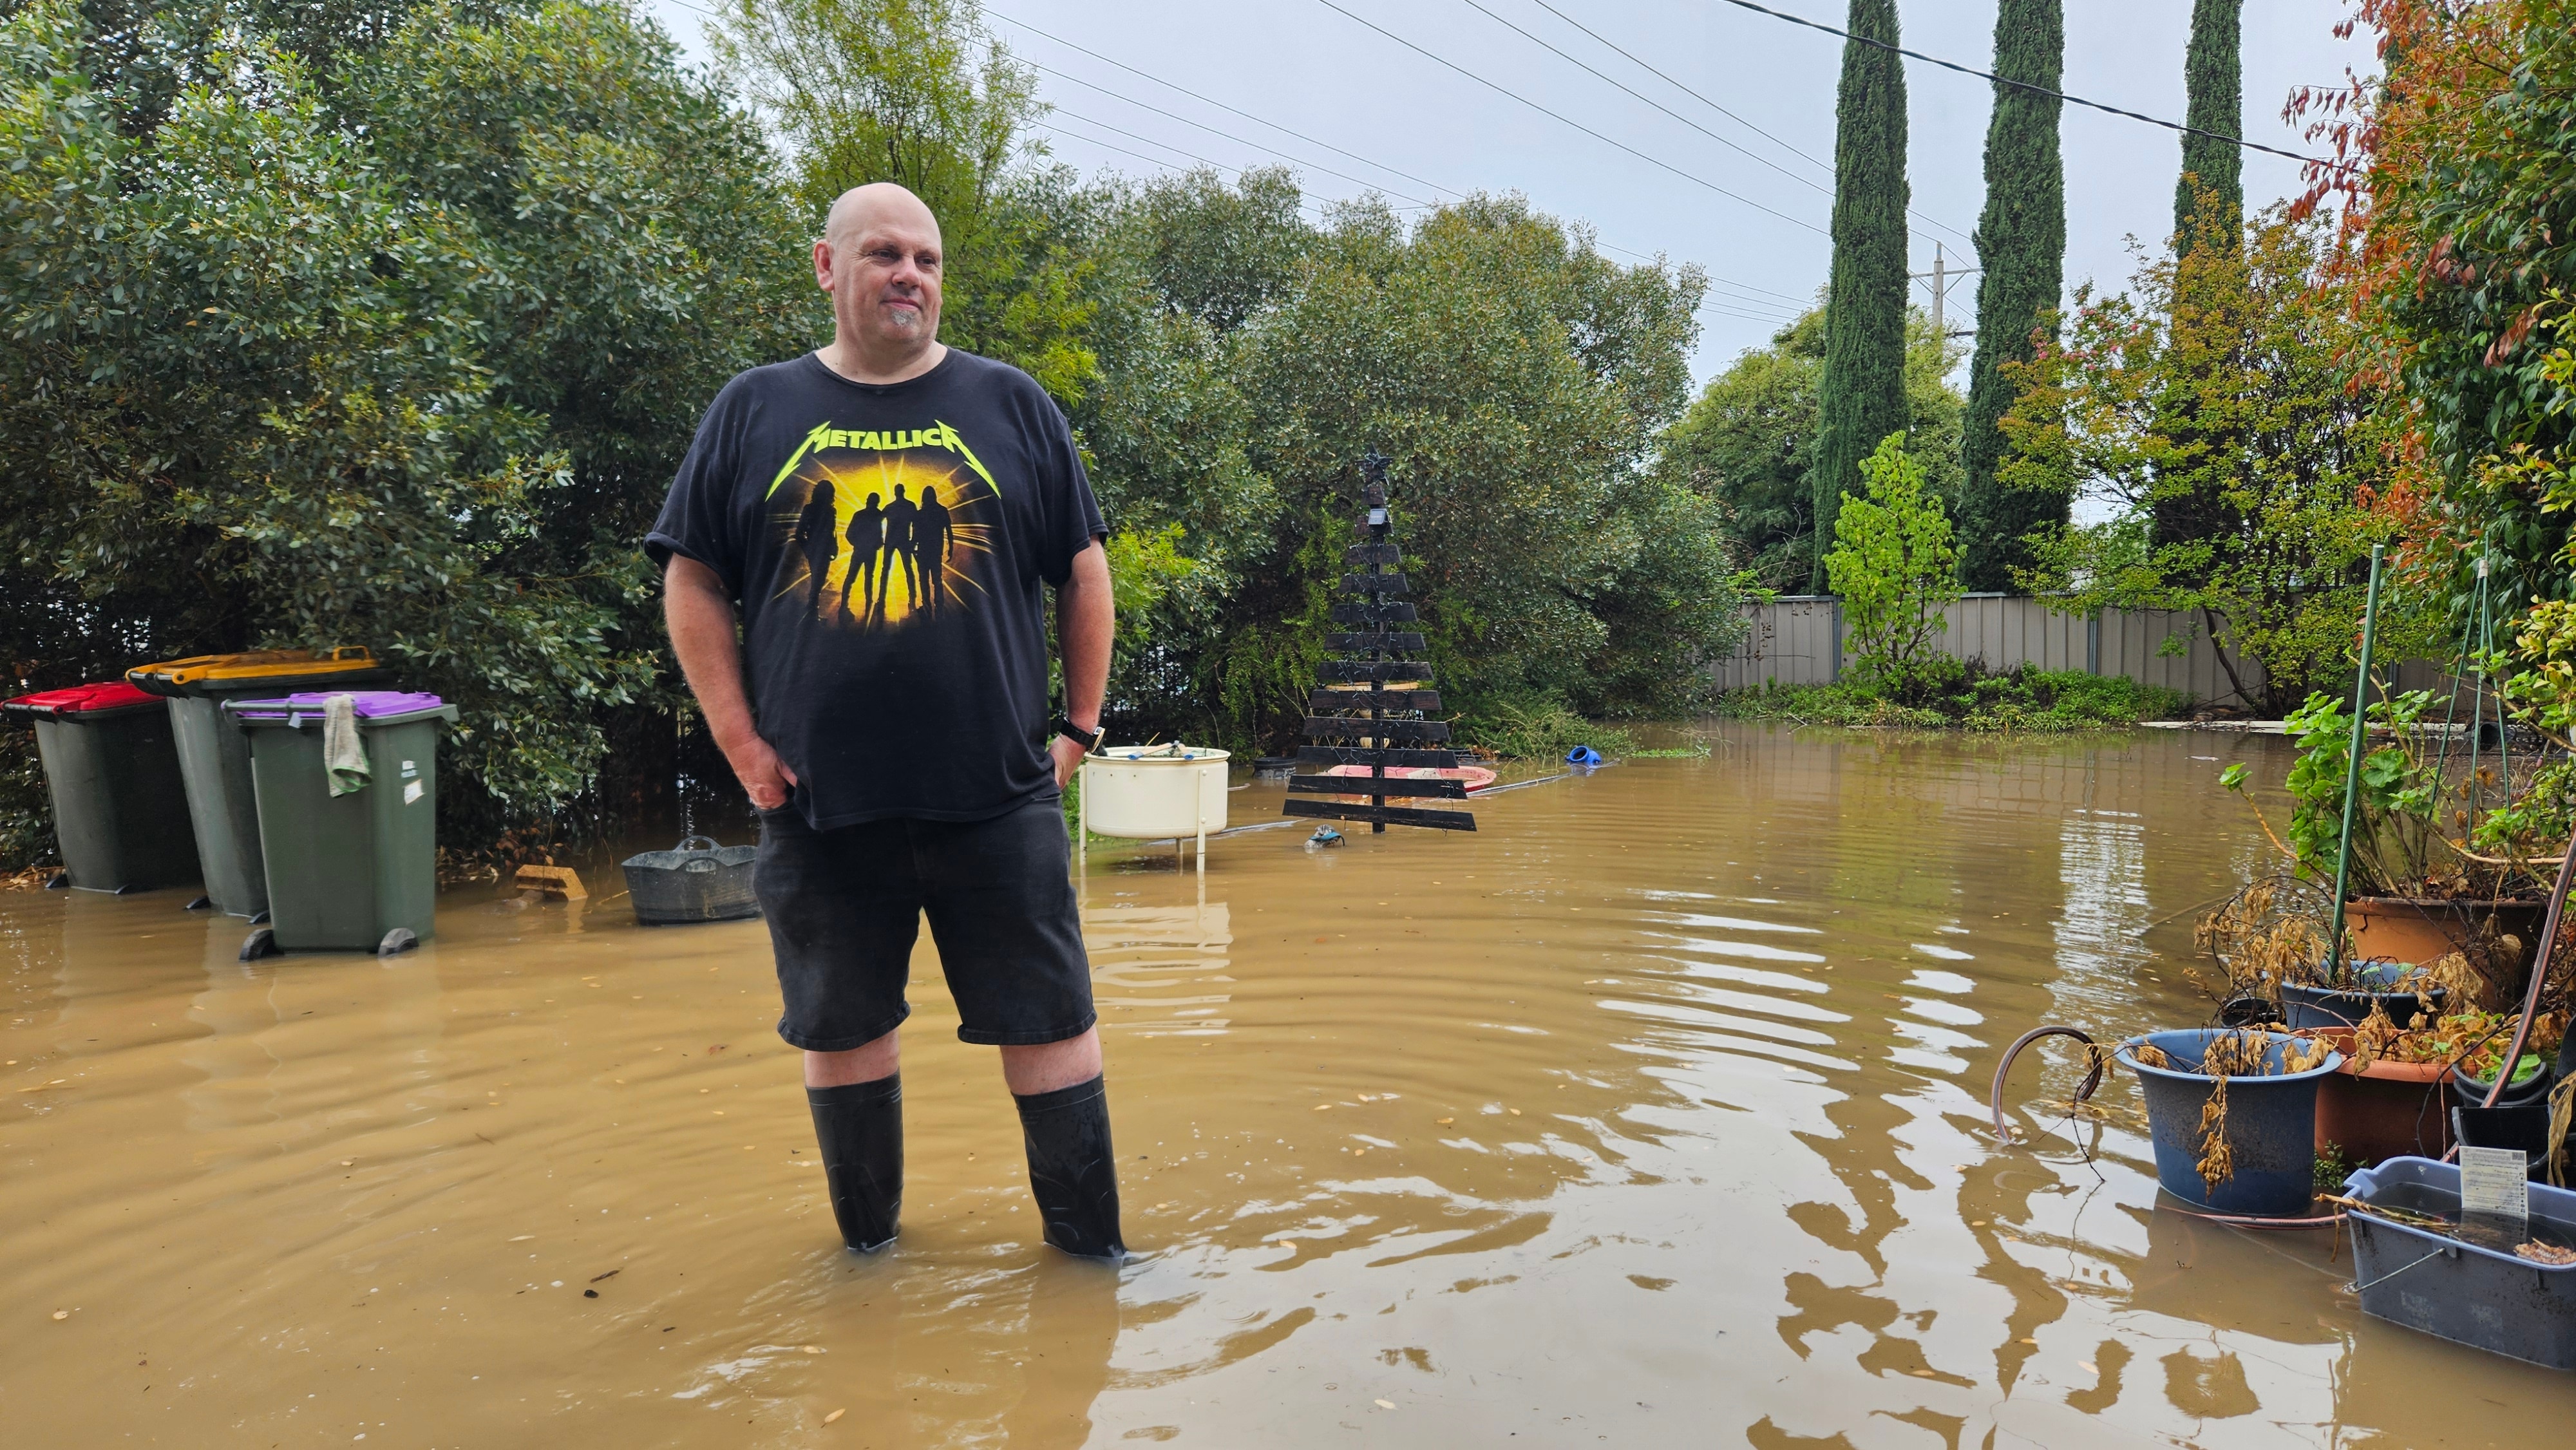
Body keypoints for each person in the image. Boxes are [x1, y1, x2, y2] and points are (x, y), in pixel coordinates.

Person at [650, 182, 1122, 1260]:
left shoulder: (1012, 405)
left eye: (927, 258)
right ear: (828, 266)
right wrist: (739, 742)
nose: (910, 273)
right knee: (842, 1029)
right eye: (883, 254)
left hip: (999, 798)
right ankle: (869, 1262)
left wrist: (1081, 728)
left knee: (1052, 1024)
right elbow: (692, 579)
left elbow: (1084, 568)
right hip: (817, 802)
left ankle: (1095, 1260)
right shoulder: (753, 409)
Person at [791, 476, 839, 623]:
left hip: (821, 550)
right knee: (818, 581)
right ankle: (811, 613)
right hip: (819, 550)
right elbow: (799, 533)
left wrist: (833, 546)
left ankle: (812, 613)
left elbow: (830, 531)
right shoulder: (819, 510)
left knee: (818, 581)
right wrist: (809, 548)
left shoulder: (826, 510)